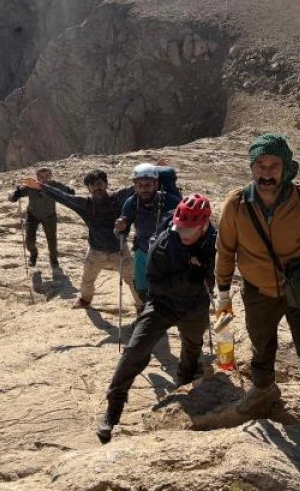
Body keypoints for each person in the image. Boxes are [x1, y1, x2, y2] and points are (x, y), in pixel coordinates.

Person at [214, 133, 300, 427]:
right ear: (252, 167)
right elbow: (225, 248)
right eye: (260, 165)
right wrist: (223, 291)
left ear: (285, 168)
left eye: (273, 166)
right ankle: (263, 389)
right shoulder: (237, 203)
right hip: (257, 291)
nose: (266, 173)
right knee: (261, 344)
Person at [96, 194, 218, 444]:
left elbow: (216, 276)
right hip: (163, 304)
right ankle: (114, 407)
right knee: (135, 350)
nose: (183, 232)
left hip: (195, 306)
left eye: (190, 228)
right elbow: (153, 281)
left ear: (204, 225)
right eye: (181, 226)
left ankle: (184, 387)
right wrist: (189, 273)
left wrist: (202, 272)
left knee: (192, 350)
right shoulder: (164, 242)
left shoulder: (214, 243)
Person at [23, 168, 135, 307]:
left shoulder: (118, 197)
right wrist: (41, 186)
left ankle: (141, 305)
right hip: (96, 252)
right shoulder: (85, 204)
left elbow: (138, 186)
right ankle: (85, 300)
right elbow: (63, 197)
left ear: (106, 184)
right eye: (93, 185)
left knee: (133, 280)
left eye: (100, 183)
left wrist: (156, 170)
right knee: (87, 280)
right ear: (88, 188)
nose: (97, 188)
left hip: (120, 250)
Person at [115, 163, 181, 312]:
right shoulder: (131, 203)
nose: (144, 189)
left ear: (156, 184)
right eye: (140, 185)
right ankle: (147, 312)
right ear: (135, 186)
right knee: (141, 287)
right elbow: (120, 232)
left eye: (148, 185)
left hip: (167, 252)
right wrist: (120, 229)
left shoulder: (171, 202)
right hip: (143, 249)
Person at [9, 167, 73, 269]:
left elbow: (69, 192)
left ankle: (53, 259)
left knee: (52, 240)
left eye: (47, 176)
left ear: (51, 176)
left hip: (49, 215)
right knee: (29, 240)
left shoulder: (55, 185)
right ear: (37, 177)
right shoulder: (31, 186)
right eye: (41, 177)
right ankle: (33, 255)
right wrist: (15, 195)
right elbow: (11, 197)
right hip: (33, 215)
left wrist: (69, 191)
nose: (44, 179)